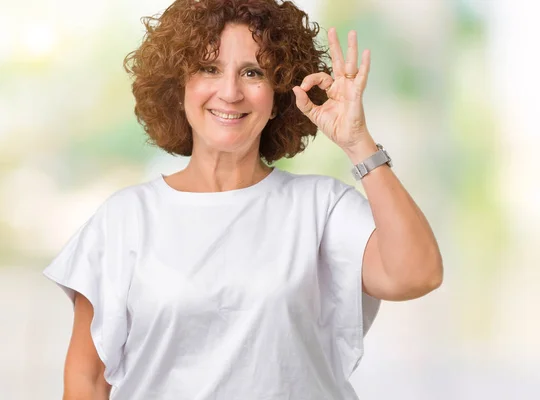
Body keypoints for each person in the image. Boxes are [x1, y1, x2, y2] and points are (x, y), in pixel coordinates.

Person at [43, 0, 443, 398]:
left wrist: (359, 144)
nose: (230, 92)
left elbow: (417, 274)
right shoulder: (125, 218)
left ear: (279, 93)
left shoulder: (321, 208)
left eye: (253, 72)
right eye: (209, 69)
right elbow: (87, 381)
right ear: (179, 84)